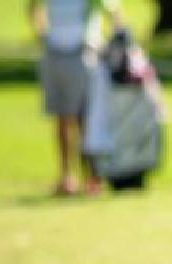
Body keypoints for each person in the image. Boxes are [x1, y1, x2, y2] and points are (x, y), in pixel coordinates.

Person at [27, 0, 122, 196]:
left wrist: (111, 44)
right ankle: (66, 177)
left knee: (85, 119)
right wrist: (41, 34)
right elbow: (33, 6)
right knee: (62, 119)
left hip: (83, 53)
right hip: (54, 53)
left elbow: (114, 13)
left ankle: (92, 177)